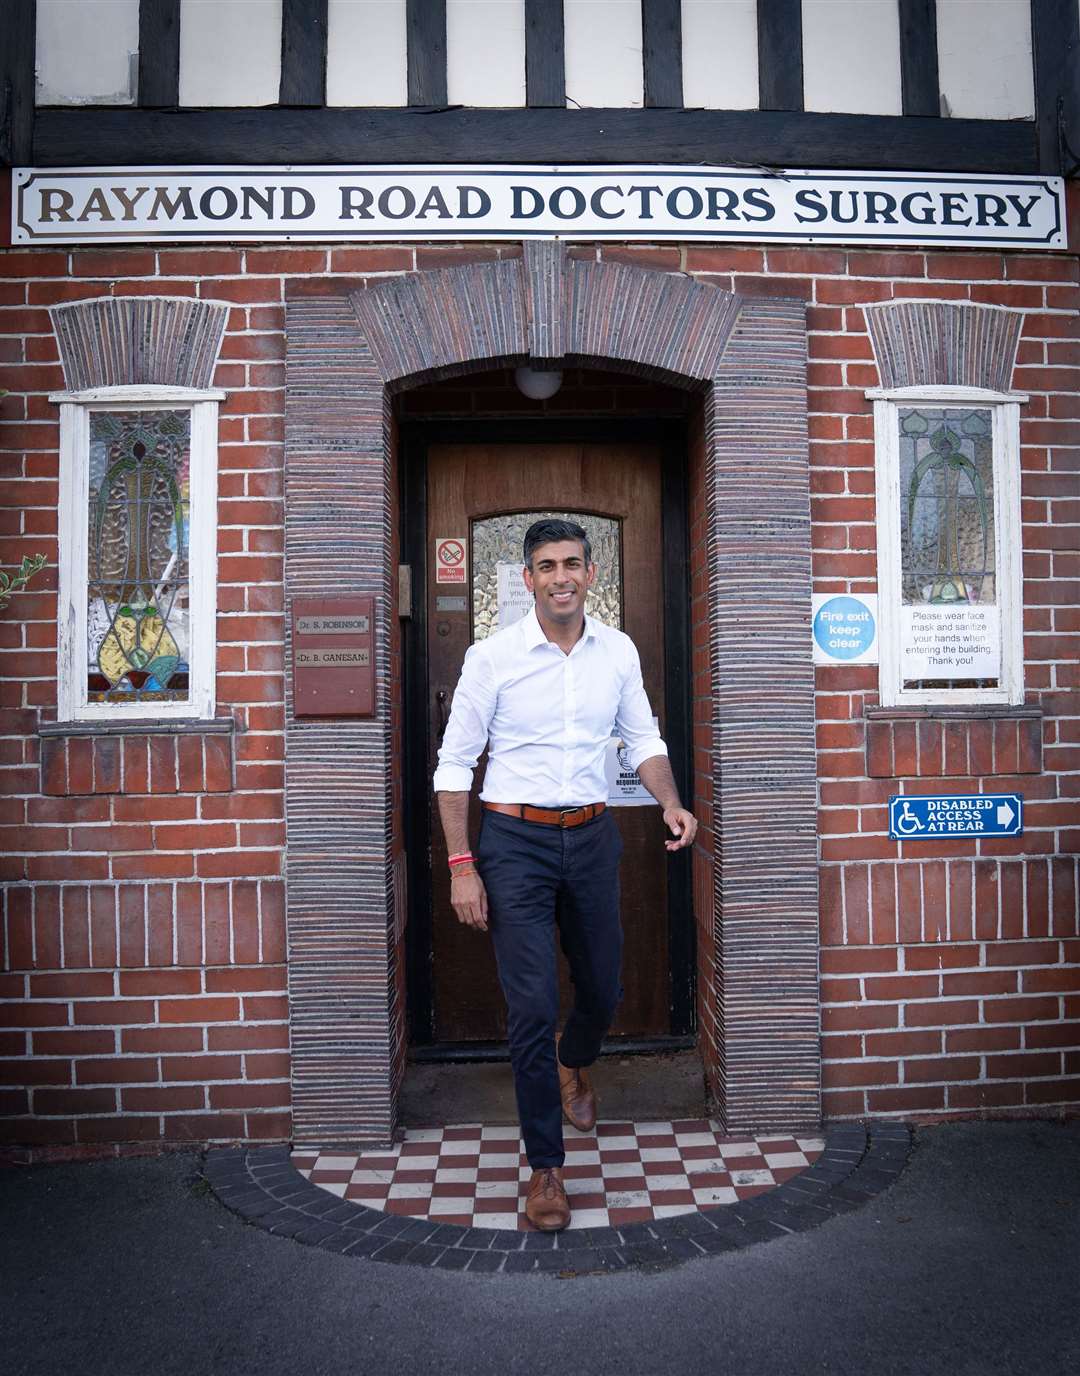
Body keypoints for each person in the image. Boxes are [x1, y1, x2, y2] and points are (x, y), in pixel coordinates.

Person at [433, 518, 697, 1231]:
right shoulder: (493, 658)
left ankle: (574, 1060)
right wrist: (463, 866)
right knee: (531, 1005)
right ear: (527, 578)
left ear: (590, 574)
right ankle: (545, 1170)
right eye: (546, 565)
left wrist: (670, 801)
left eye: (572, 564)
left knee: (605, 986)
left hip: (590, 835)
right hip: (513, 841)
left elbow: (642, 738)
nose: (560, 577)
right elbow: (455, 766)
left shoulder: (617, 652)